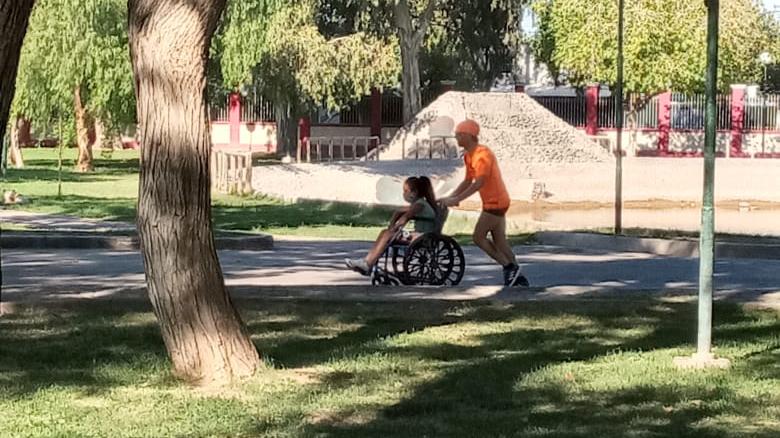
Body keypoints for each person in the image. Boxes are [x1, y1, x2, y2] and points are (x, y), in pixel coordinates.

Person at [440, 119, 529, 287]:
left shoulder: (483, 155)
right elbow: (468, 181)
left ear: (469, 136)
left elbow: (479, 183)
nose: (456, 138)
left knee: (478, 237)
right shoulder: (469, 156)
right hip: (493, 202)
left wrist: (457, 199)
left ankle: (508, 267)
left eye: (459, 135)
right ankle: (518, 277)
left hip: (496, 202)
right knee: (500, 241)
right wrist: (451, 197)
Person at [346, 176, 438, 275]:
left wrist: (394, 228)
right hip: (420, 235)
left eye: (405, 191)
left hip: (422, 237)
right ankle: (367, 262)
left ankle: (368, 263)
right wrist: (393, 222)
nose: (403, 194)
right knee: (385, 232)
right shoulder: (420, 204)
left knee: (388, 234)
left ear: (414, 192)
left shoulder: (419, 205)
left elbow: (405, 218)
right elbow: (400, 212)